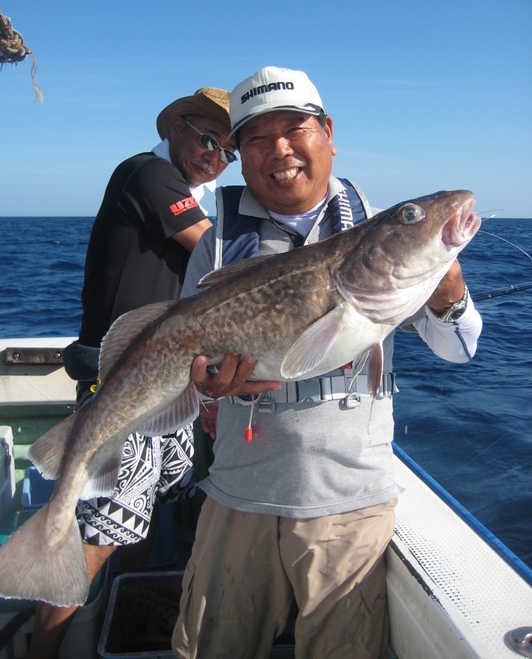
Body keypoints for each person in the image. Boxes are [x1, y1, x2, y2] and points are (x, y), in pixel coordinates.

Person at [171, 67, 483, 659]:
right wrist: (209, 386)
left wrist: (449, 295)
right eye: (257, 137)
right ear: (240, 155)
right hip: (237, 494)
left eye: (295, 129)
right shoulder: (218, 242)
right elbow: (193, 370)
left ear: (328, 133)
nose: (279, 150)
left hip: (350, 504)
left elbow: (459, 349)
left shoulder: (375, 230)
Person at [27, 86, 237, 659]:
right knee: (99, 532)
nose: (215, 157)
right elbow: (216, 256)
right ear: (175, 127)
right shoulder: (147, 173)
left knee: (143, 514)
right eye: (208, 140)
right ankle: (41, 650)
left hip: (165, 383)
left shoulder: (185, 191)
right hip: (122, 386)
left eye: (227, 152)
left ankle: (127, 610)